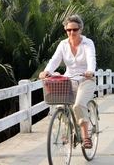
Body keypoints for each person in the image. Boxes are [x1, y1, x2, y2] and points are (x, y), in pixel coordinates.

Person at [39, 14, 96, 149]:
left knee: (78, 105)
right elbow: (54, 60)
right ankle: (67, 130)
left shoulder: (87, 43)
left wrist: (90, 71)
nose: (71, 32)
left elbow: (91, 58)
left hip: (85, 79)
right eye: (68, 30)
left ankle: (85, 136)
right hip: (69, 80)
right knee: (60, 107)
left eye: (74, 30)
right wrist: (46, 71)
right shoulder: (63, 44)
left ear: (80, 30)